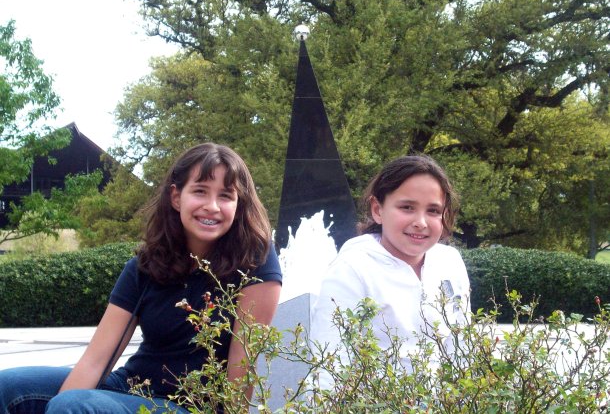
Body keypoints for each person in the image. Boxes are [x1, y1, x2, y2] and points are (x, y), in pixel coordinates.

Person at [0, 143, 282, 413]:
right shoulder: (147, 265)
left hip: (190, 405)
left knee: (73, 407)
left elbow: (241, 368)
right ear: (176, 197)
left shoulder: (255, 261)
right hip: (130, 387)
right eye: (200, 191)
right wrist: (66, 402)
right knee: (8, 387)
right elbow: (97, 361)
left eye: (225, 195)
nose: (212, 206)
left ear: (238, 202)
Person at [310, 154, 470, 386]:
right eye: (407, 207)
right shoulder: (352, 269)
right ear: (378, 209)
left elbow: (461, 350)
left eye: (433, 211)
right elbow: (330, 366)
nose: (421, 222)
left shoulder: (450, 262)